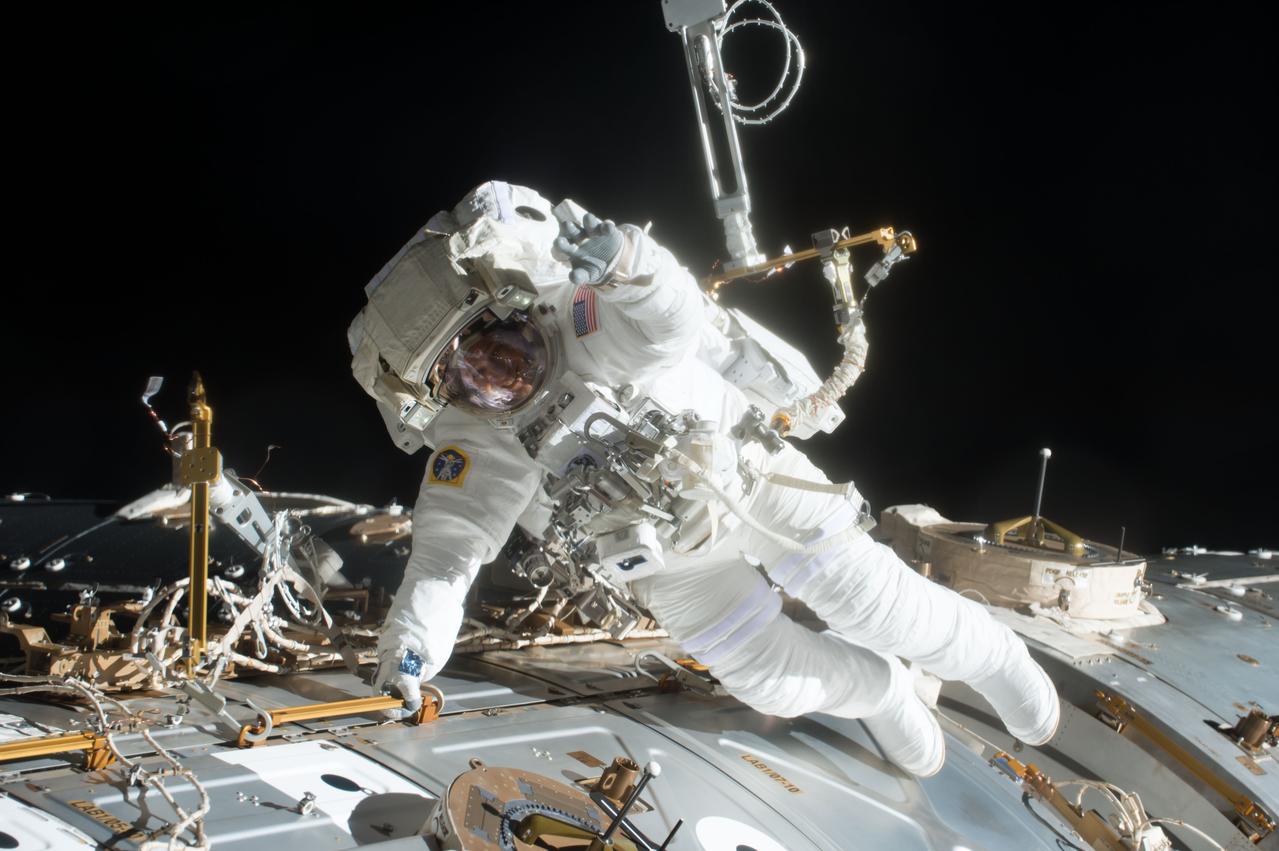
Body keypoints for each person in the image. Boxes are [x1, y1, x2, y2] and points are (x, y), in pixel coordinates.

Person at [348, 180, 1059, 777]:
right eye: (468, 380)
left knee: (879, 607)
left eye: (493, 349)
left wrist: (625, 259)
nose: (497, 378)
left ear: (510, 307)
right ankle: (878, 690)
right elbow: (448, 553)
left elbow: (671, 319)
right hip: (668, 563)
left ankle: (994, 656)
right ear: (443, 396)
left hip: (751, 482)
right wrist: (408, 651)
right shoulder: (478, 440)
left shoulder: (584, 318)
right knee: (764, 674)